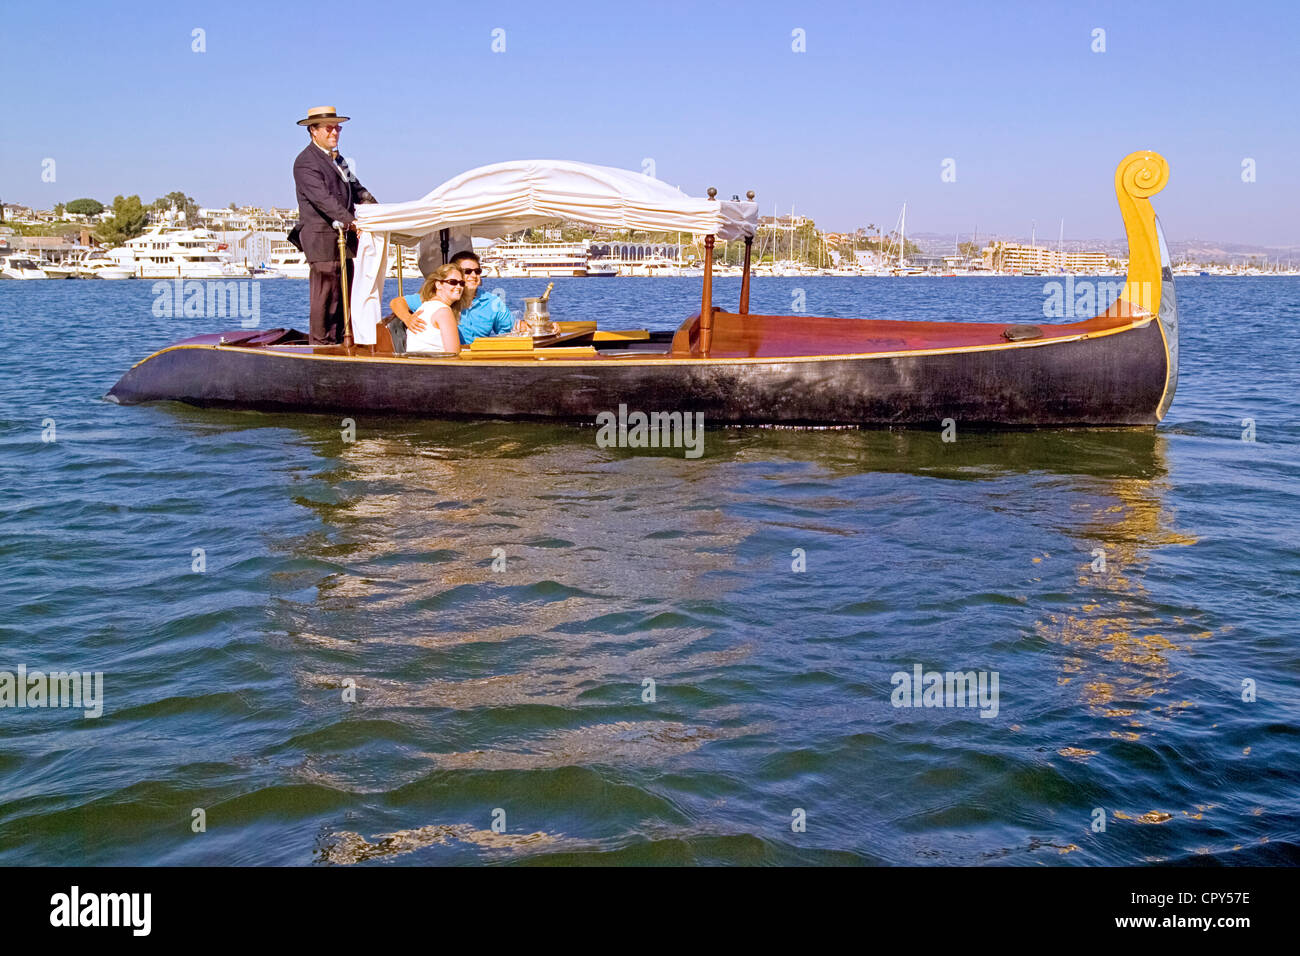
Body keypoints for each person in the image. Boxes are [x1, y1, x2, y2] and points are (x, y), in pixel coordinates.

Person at [290, 106, 377, 345]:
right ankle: (321, 345)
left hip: (343, 240)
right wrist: (353, 223)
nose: (335, 132)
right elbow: (324, 200)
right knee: (326, 293)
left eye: (337, 127)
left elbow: (358, 190)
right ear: (313, 131)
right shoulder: (305, 163)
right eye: (329, 128)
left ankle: (340, 340)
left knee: (343, 290)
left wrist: (381, 212)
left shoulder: (339, 159)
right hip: (321, 238)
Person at [391, 250, 514, 345]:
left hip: (479, 360)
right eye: (467, 271)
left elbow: (509, 330)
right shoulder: (441, 299)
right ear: (457, 274)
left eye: (477, 271)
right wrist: (408, 319)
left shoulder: (493, 302)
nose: (473, 275)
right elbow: (397, 302)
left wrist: (521, 326)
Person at [405, 265, 465, 354]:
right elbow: (453, 354)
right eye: (453, 282)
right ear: (438, 285)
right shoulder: (444, 311)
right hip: (435, 365)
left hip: (418, 363)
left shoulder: (425, 307)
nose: (459, 286)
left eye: (462, 283)